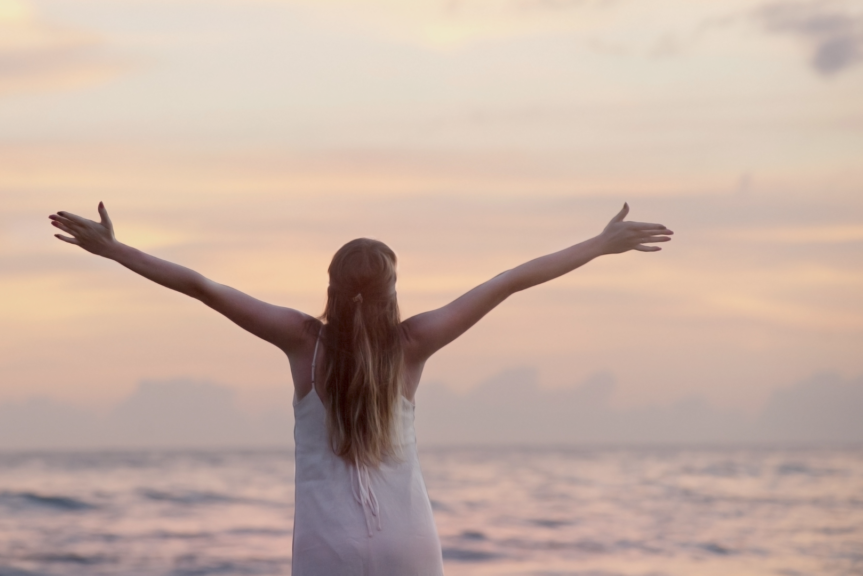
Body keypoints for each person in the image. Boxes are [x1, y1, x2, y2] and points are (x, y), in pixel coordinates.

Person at [49, 202, 672, 575]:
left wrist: (115, 250)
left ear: (331, 283)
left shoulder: (302, 341)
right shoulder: (414, 342)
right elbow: (509, 280)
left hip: (327, 547)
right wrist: (599, 245)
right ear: (392, 290)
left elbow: (202, 286)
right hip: (408, 542)